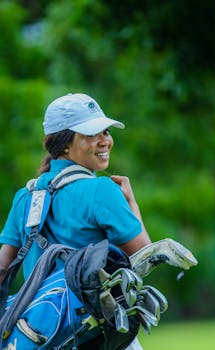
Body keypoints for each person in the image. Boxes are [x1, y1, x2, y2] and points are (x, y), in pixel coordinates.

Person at [0, 92, 151, 349]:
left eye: (106, 132)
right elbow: (145, 256)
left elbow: (3, 268)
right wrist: (132, 204)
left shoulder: (25, 196)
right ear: (64, 144)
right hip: (97, 334)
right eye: (92, 134)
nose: (105, 141)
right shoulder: (102, 191)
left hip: (41, 333)